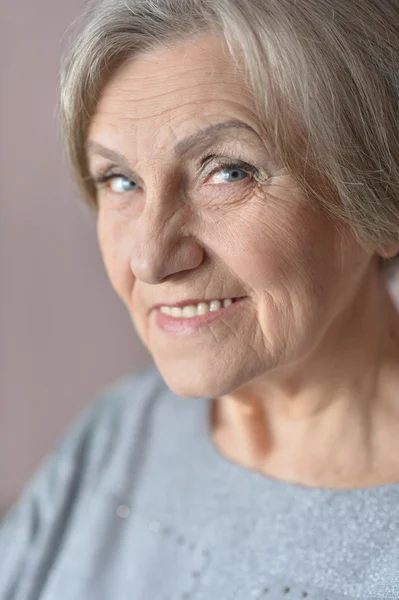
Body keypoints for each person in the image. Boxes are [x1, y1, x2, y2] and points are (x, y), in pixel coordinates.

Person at [2, 0, 399, 598]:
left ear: (381, 195)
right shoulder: (123, 427)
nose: (150, 260)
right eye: (120, 181)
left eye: (229, 172)